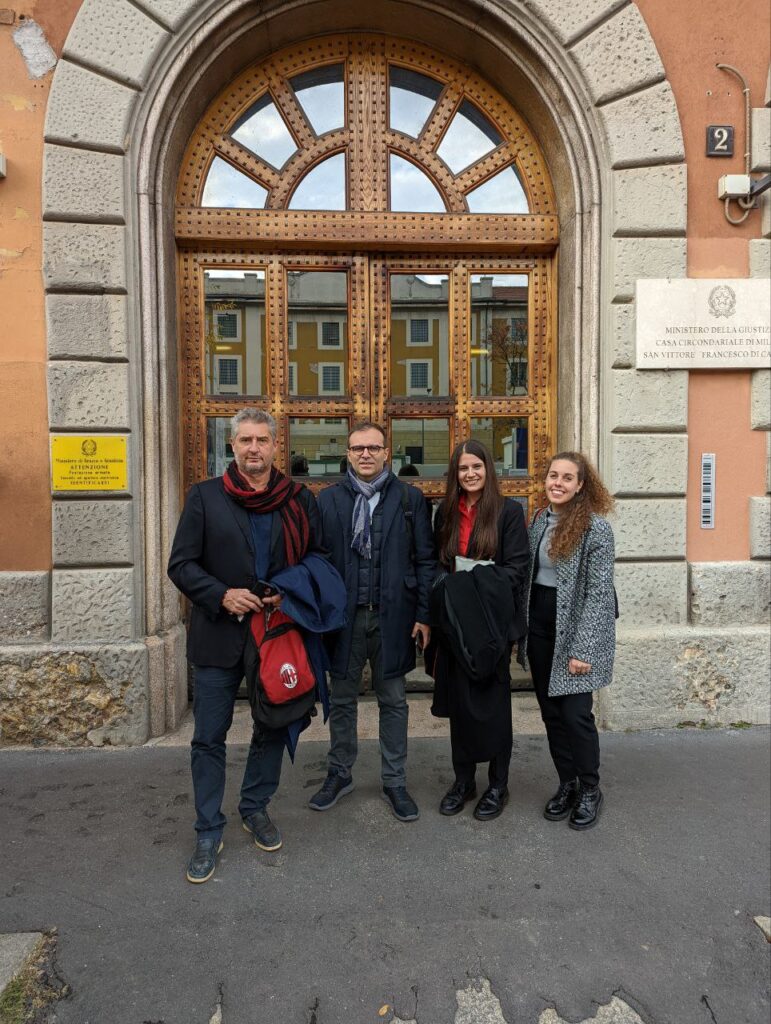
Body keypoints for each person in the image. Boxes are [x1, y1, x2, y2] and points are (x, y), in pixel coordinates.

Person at [168, 408, 327, 883]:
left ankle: (254, 806)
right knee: (208, 736)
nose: (253, 448)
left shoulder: (298, 499)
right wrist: (221, 594)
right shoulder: (204, 497)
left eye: (262, 440)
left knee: (273, 726)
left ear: (276, 446)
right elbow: (181, 564)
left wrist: (289, 589)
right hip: (218, 636)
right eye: (244, 440)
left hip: (275, 635)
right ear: (232, 446)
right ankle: (207, 828)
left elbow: (319, 556)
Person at [310, 422, 436, 821]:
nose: (366, 454)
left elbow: (425, 561)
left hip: (393, 619)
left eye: (373, 448)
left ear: (387, 452)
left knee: (394, 702)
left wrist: (423, 614)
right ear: (347, 453)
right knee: (342, 700)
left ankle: (394, 780)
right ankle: (339, 773)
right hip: (343, 620)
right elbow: (317, 561)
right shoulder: (328, 501)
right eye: (358, 448)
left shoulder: (410, 500)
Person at [428, 439, 529, 821]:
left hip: (491, 624)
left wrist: (473, 580)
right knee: (461, 708)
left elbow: (517, 569)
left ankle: (498, 784)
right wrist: (446, 587)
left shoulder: (508, 512)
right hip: (457, 626)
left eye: (477, 467)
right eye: (463, 469)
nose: (470, 474)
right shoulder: (447, 514)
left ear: (488, 469)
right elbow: (439, 563)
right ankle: (463, 781)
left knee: (494, 708)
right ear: (455, 474)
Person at [520, 451, 616, 831]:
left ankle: (590, 788)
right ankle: (567, 783)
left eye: (566, 478)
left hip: (576, 628)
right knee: (551, 713)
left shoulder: (596, 529)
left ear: (581, 485)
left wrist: (582, 649)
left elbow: (598, 593)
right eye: (552, 476)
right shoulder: (539, 521)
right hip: (541, 625)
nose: (557, 483)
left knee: (576, 715)